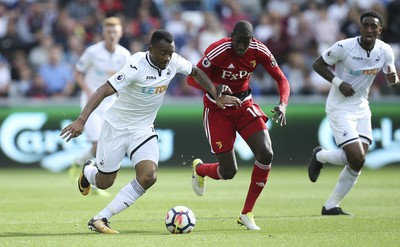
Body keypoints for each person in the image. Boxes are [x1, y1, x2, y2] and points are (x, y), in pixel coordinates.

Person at [60, 30, 241, 234]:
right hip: (116, 128)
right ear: (151, 49)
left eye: (170, 52)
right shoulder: (136, 65)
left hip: (143, 129)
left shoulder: (173, 61)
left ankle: (101, 218)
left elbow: (196, 72)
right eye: (163, 53)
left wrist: (215, 94)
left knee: (149, 176)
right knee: (104, 183)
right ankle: (88, 170)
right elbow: (103, 90)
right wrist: (82, 120)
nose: (167, 58)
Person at [187, 20, 291, 230]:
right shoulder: (218, 50)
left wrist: (283, 104)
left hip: (244, 105)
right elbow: (192, 80)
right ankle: (200, 169)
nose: (241, 47)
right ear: (231, 36)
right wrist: (216, 89)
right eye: (237, 41)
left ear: (251, 40)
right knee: (228, 172)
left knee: (266, 153)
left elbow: (281, 79)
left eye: (245, 42)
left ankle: (247, 213)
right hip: (217, 110)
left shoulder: (259, 50)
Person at [308, 10, 399, 216]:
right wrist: (338, 83)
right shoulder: (344, 47)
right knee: (356, 157)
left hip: (361, 106)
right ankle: (320, 156)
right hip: (339, 107)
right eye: (365, 25)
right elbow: (317, 64)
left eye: (373, 26)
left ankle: (331, 205)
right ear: (360, 28)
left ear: (379, 30)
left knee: (358, 161)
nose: (369, 30)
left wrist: (394, 81)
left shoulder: (385, 51)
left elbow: (393, 80)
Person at [68, 17, 131, 197]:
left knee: (104, 144)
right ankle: (92, 182)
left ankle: (77, 162)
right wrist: (88, 90)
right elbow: (78, 72)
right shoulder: (92, 52)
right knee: (98, 144)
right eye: (108, 31)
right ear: (103, 33)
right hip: (91, 103)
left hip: (111, 104)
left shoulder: (125, 55)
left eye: (115, 31)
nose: (112, 35)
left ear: (120, 33)